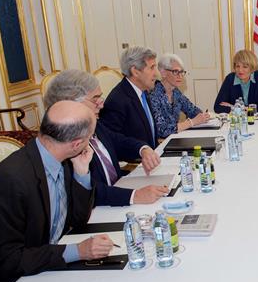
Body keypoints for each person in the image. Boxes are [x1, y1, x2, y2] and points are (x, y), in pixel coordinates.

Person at [0, 101, 114, 282]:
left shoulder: (62, 159)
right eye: (90, 138)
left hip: (46, 264)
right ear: (76, 143)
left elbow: (78, 220)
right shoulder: (11, 181)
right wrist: (77, 251)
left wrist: (82, 173)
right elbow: (4, 260)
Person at [44, 69, 168, 207]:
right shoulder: (64, 142)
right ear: (71, 103)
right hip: (98, 210)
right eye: (95, 99)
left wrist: (142, 149)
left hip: (117, 196)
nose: (101, 104)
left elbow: (117, 140)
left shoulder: (95, 125)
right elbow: (87, 189)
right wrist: (134, 195)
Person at [99, 46, 159, 148]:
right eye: (152, 67)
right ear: (135, 71)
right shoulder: (118, 100)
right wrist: (141, 149)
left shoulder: (143, 92)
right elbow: (111, 139)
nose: (156, 73)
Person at [150, 53, 211, 139]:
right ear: (163, 73)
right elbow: (162, 130)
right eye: (175, 72)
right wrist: (191, 122)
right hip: (159, 144)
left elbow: (193, 111)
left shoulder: (176, 92)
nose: (180, 76)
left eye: (182, 72)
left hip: (175, 139)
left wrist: (204, 116)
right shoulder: (154, 94)